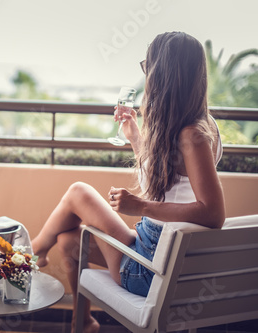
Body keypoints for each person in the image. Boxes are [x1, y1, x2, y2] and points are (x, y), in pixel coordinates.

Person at [31, 31, 225, 333]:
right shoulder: (196, 126)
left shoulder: (193, 135)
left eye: (148, 67)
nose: (146, 76)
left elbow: (213, 214)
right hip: (154, 254)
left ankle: (31, 254)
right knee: (69, 242)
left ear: (162, 74)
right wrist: (135, 135)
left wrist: (139, 206)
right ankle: (81, 322)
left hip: (149, 270)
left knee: (78, 192)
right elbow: (171, 184)